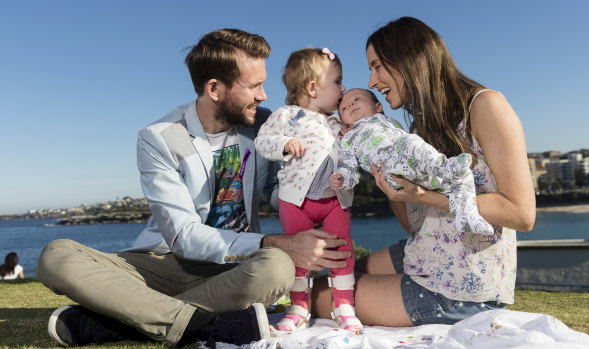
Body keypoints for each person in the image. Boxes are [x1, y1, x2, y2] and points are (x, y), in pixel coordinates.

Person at [37, 29, 351, 347]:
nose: (263, 95)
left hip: (236, 268)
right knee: (56, 256)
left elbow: (276, 186)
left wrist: (318, 191)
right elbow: (184, 236)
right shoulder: (159, 138)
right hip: (163, 263)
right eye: (253, 86)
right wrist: (276, 240)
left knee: (278, 267)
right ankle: (199, 324)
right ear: (214, 88)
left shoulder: (264, 123)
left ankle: (122, 324)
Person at [312, 17, 536, 328]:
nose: (373, 81)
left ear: (409, 58)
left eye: (377, 66)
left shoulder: (485, 105)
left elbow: (521, 213)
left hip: (460, 287)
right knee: (339, 271)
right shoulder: (418, 130)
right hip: (424, 253)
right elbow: (412, 224)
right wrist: (385, 172)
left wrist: (426, 195)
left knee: (320, 292)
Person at [255, 48, 362, 332]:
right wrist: (284, 143)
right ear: (313, 88)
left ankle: (344, 305)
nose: (343, 88)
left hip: (335, 199)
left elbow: (359, 144)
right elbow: (262, 141)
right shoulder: (286, 115)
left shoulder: (339, 119)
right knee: (298, 258)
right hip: (295, 200)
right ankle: (298, 307)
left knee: (342, 250)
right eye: (338, 82)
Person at [330, 88, 494, 235]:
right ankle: (444, 167)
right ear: (344, 121)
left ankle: (467, 217)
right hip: (392, 173)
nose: (350, 103)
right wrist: (343, 178)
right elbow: (349, 165)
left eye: (357, 99)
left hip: (413, 167)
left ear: (378, 107)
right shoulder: (348, 139)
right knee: (411, 142)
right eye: (344, 107)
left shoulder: (389, 122)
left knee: (459, 179)